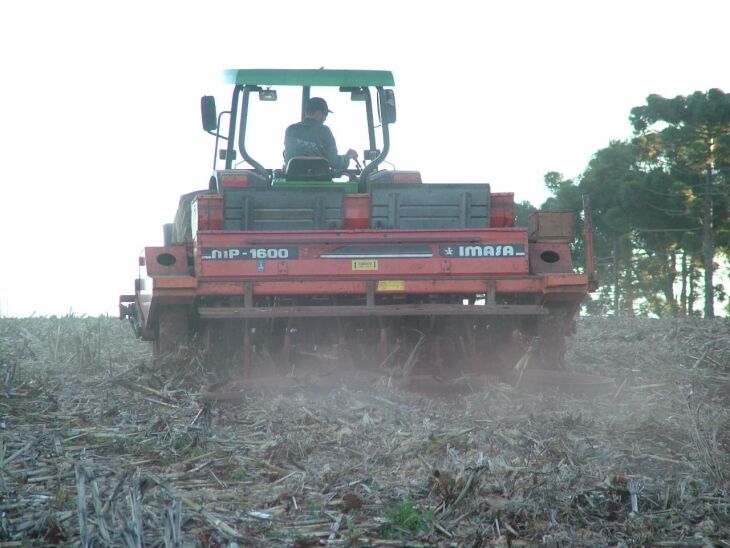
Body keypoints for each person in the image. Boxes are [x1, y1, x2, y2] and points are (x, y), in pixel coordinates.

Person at [283, 97, 358, 171]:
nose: (325, 119)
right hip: (320, 181)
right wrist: (348, 156)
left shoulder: (290, 130)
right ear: (318, 114)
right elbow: (334, 163)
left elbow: (287, 158)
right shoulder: (325, 131)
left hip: (293, 180)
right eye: (325, 115)